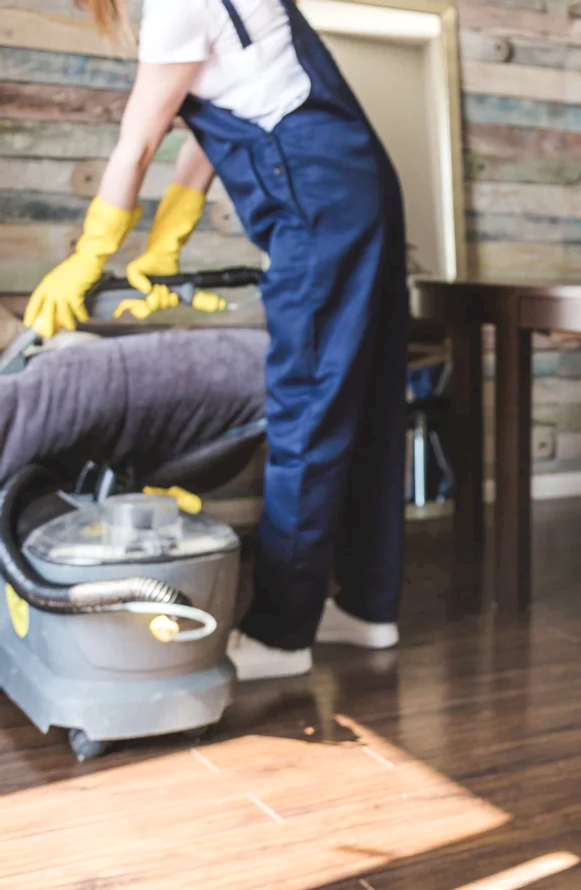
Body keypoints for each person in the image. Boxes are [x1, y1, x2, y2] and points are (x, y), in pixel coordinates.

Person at [24, 0, 410, 679]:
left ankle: (282, 636)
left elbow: (137, 143)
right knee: (369, 398)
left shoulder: (178, 6)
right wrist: (167, 239)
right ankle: (367, 607)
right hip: (357, 187)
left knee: (306, 409)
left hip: (318, 210)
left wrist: (90, 255)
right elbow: (219, 119)